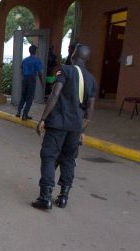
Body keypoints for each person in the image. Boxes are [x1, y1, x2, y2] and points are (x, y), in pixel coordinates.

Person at [32, 44, 96, 210]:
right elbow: (89, 111)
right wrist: (82, 131)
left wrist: (43, 119)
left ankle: (45, 197)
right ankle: (63, 197)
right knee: (68, 160)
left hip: (58, 123)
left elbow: (55, 94)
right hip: (75, 127)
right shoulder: (91, 79)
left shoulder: (65, 70)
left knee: (49, 156)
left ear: (73, 54)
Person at [16, 45, 44, 120]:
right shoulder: (37, 60)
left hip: (25, 79)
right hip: (31, 79)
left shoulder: (24, 60)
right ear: (35, 51)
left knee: (23, 96)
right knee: (29, 98)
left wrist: (25, 77)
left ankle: (18, 112)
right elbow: (40, 73)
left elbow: (21, 71)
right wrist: (42, 83)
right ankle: (25, 114)